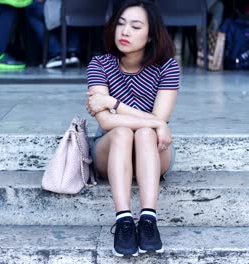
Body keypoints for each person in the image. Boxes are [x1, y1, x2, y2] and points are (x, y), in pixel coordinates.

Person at [86, 0, 179, 257]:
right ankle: (124, 220)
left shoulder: (167, 67)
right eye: (121, 24)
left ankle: (148, 221)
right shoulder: (100, 64)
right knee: (123, 131)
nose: (125, 32)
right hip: (111, 149)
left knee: (146, 132)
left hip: (154, 150)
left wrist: (113, 103)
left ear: (150, 36)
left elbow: (156, 120)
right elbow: (106, 122)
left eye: (135, 26)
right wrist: (156, 122)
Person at [25, 0, 81, 68]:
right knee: (74, 12)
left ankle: (57, 54)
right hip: (88, 10)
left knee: (31, 8)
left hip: (63, 9)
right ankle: (72, 52)